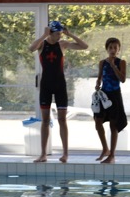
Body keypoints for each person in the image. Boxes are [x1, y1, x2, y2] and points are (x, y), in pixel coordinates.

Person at [28, 21, 88, 163]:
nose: (60, 36)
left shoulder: (63, 44)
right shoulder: (42, 45)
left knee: (62, 120)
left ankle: (65, 153)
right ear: (50, 33)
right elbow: (31, 48)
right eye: (57, 34)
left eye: (61, 33)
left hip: (60, 85)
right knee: (45, 120)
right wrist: (44, 35)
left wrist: (70, 34)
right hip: (46, 86)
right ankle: (43, 154)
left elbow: (84, 46)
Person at [93, 37, 128, 164]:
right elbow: (100, 77)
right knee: (98, 122)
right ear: (107, 49)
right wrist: (97, 84)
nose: (113, 50)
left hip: (115, 95)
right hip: (104, 95)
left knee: (114, 125)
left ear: (118, 50)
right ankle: (105, 149)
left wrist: (114, 66)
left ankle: (112, 155)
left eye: (115, 48)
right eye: (110, 48)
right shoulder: (102, 62)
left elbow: (122, 79)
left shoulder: (121, 62)